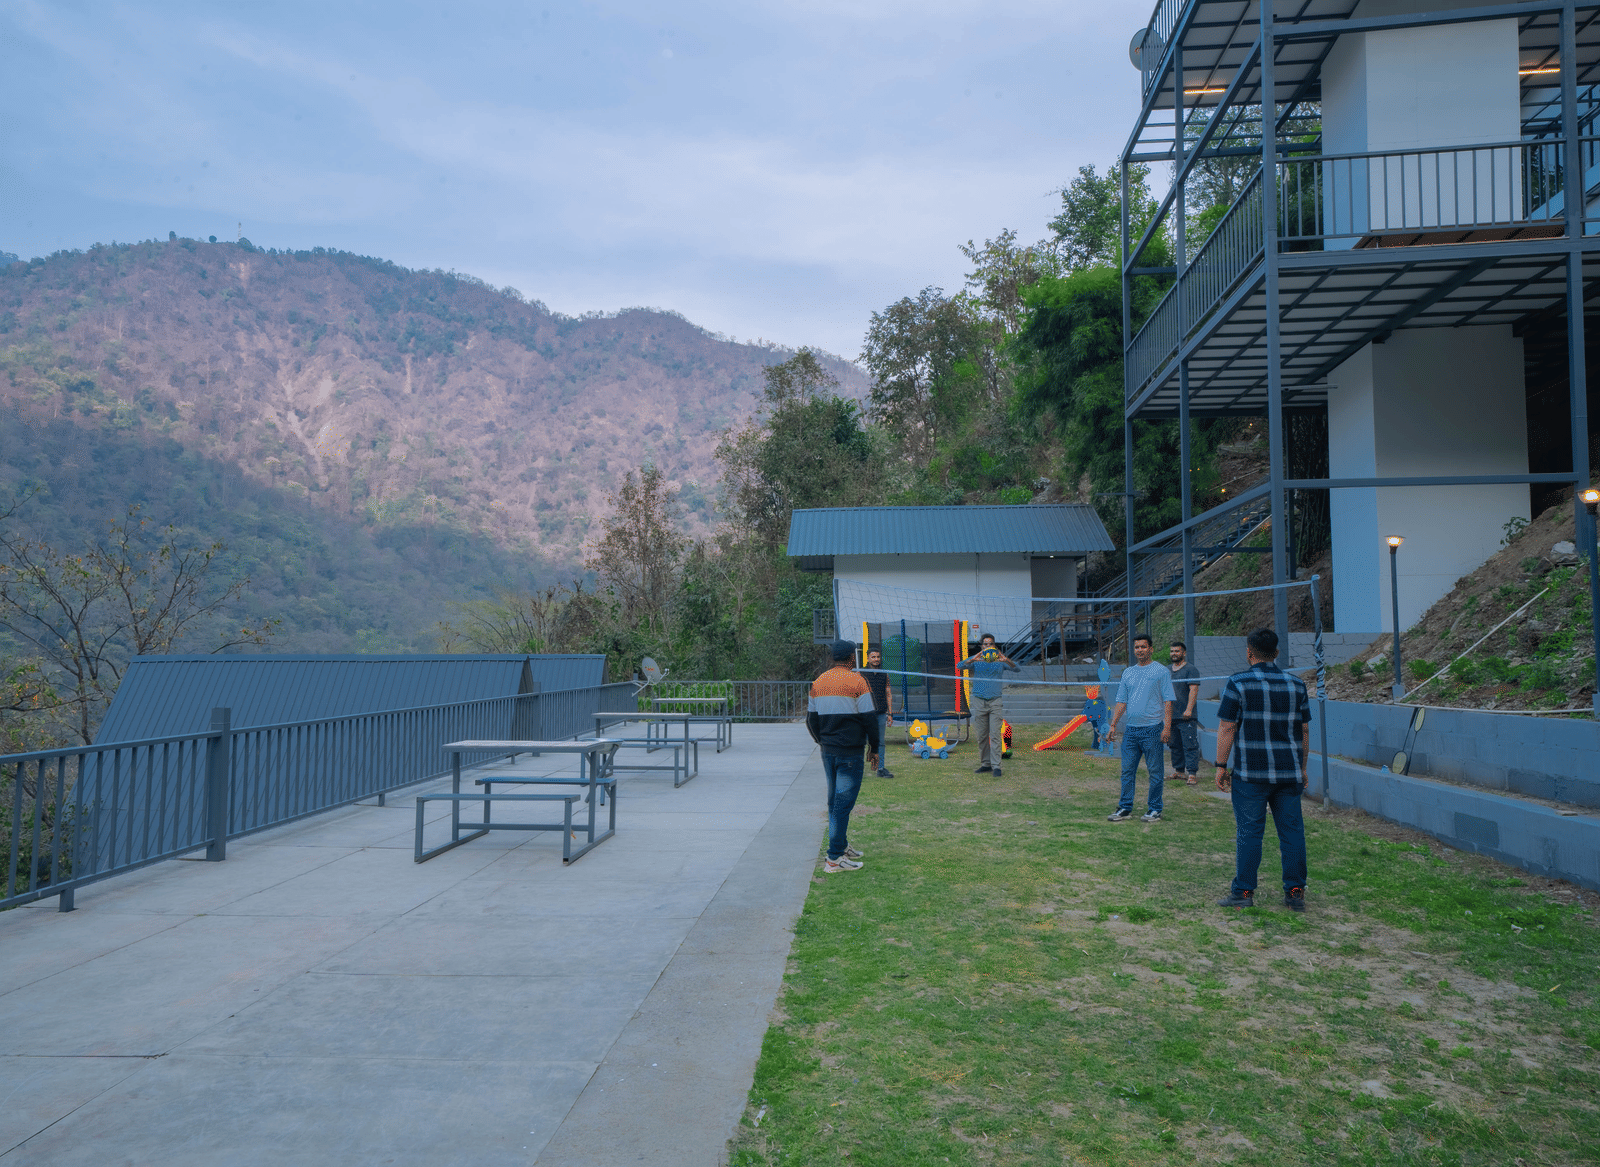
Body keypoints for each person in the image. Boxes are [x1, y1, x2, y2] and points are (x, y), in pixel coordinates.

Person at [1213, 627, 1311, 912]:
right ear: (1277, 653)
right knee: (1292, 833)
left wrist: (1221, 765)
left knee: (1250, 832)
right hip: (1288, 773)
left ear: (1249, 652)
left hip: (1251, 775)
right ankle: (1295, 892)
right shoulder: (1296, 685)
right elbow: (1304, 730)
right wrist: (1302, 768)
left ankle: (1243, 893)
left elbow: (1227, 726)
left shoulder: (1238, 683)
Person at [806, 640, 882, 873]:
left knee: (834, 802)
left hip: (828, 752)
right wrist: (875, 748)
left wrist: (823, 742)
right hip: (850, 753)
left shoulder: (818, 682)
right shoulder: (858, 681)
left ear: (832, 658)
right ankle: (834, 859)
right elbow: (870, 717)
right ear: (851, 658)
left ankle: (841, 844)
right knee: (842, 804)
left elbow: (811, 721)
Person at [1105, 634, 1173, 823]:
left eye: (1143, 647)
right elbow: (1121, 701)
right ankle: (1125, 807)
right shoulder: (1128, 673)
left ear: (1151, 649)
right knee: (1127, 771)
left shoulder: (1161, 672)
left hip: (1152, 729)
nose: (1140, 650)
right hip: (1131, 731)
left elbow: (1168, 702)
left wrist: (1166, 728)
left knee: (1155, 772)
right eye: (1137, 647)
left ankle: (1154, 809)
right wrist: (1113, 725)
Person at [956, 633, 1019, 777]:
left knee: (995, 735)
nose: (987, 646)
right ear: (981, 646)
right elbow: (959, 666)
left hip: (995, 701)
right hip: (979, 701)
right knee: (982, 736)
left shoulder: (1000, 661)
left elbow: (1017, 668)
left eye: (990, 643)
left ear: (994, 646)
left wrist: (1005, 659)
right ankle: (985, 764)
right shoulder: (976, 661)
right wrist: (974, 658)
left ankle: (996, 766)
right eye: (985, 644)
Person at [1168, 641, 1201, 786]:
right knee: (1174, 744)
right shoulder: (1167, 670)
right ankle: (1179, 771)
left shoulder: (1191, 669)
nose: (1174, 653)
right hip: (1171, 715)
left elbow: (1193, 690)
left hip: (1186, 716)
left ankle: (1192, 773)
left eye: (1177, 651)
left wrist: (1188, 709)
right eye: (1172, 651)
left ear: (1184, 653)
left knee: (1190, 744)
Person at [863, 648, 895, 778]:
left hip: (881, 713)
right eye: (873, 657)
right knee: (862, 742)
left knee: (880, 742)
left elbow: (888, 694)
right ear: (868, 659)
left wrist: (890, 714)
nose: (876, 659)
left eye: (878, 657)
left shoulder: (884, 674)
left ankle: (880, 768)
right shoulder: (861, 674)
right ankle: (858, 769)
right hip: (865, 714)